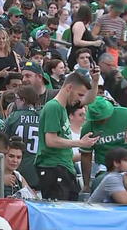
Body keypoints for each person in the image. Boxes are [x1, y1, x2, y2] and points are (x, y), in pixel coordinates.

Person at [35, 71, 99, 201]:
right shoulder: (54, 107)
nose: (80, 99)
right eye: (79, 94)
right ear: (69, 88)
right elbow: (51, 140)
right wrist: (80, 143)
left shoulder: (64, 107)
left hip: (63, 167)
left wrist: (95, 81)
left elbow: (89, 99)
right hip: (53, 168)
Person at [80, 96, 127, 193]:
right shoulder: (88, 127)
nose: (101, 121)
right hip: (106, 168)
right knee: (101, 182)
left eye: (103, 118)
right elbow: (86, 156)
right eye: (97, 119)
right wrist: (86, 184)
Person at [2, 85, 41, 189]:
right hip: (37, 169)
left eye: (16, 99)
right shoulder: (43, 116)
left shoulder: (14, 117)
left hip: (17, 166)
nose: (15, 102)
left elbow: (2, 141)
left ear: (23, 100)